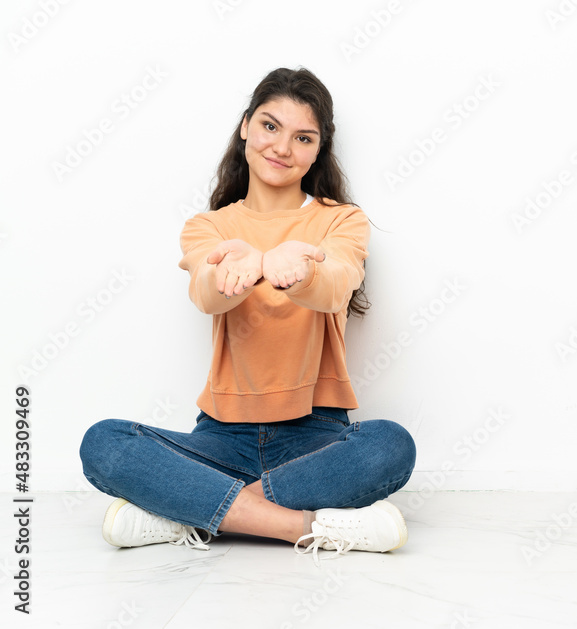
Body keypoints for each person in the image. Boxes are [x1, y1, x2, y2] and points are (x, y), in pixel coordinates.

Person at [79, 67, 417, 563]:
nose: (282, 147)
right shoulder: (209, 226)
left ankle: (189, 509)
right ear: (245, 127)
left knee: (391, 445)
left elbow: (337, 283)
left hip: (317, 434)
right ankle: (302, 526)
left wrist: (299, 270)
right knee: (103, 443)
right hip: (222, 435)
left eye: (303, 137)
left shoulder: (341, 219)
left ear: (318, 149)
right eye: (270, 126)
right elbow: (206, 294)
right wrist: (233, 271)